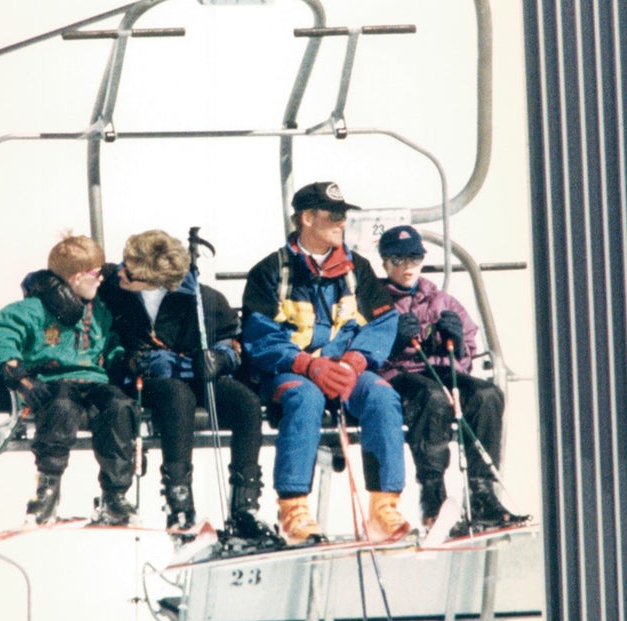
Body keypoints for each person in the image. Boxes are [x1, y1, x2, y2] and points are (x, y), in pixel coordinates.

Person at [241, 181, 411, 546]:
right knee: (304, 400)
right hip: (292, 370)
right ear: (306, 218)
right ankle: (294, 509)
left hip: (344, 369)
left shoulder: (356, 269)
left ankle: (384, 505)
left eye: (343, 215)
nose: (341, 222)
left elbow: (383, 320)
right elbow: (259, 337)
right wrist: (307, 365)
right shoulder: (271, 272)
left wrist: (354, 360)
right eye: (333, 215)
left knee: (382, 396)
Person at [99, 229, 271, 540]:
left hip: (195, 374)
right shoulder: (116, 288)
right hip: (150, 381)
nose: (122, 273)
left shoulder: (202, 300)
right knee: (177, 397)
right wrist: (134, 361)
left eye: (132, 271)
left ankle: (245, 505)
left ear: (156, 278)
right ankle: (179, 502)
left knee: (245, 402)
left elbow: (231, 343)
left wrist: (219, 360)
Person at [377, 224, 526, 530]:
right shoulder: (375, 302)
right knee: (431, 398)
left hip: (442, 373)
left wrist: (457, 346)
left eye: (414, 258)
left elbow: (468, 348)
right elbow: (362, 353)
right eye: (397, 260)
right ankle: (433, 498)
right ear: (384, 263)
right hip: (400, 376)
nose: (406, 267)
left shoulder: (440, 301)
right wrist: (391, 343)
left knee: (486, 395)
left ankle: (482, 493)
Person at [0, 233, 139, 526]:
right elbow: (0, 334)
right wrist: (19, 376)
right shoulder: (34, 309)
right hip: (52, 382)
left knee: (118, 407)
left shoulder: (98, 311)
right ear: (76, 277)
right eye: (96, 274)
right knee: (62, 405)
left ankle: (115, 496)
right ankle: (48, 489)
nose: (101, 280)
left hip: (93, 383)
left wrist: (124, 360)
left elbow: (110, 344)